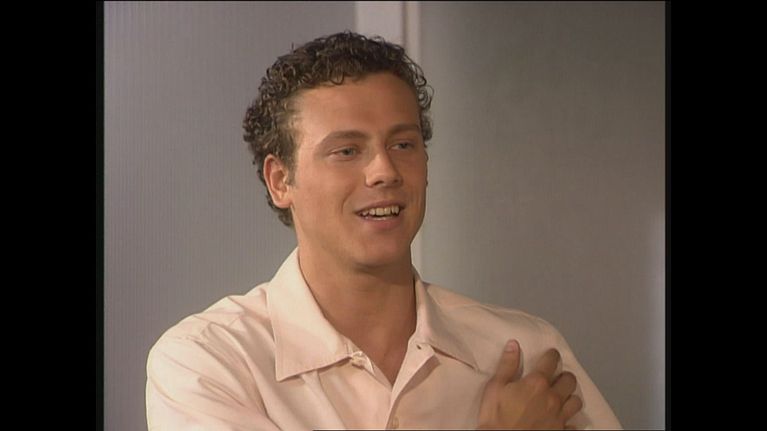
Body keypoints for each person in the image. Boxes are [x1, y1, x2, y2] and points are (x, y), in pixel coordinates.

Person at [146, 31, 622, 430]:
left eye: (403, 144)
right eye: (346, 151)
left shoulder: (526, 354)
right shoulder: (209, 362)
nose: (384, 171)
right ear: (281, 181)